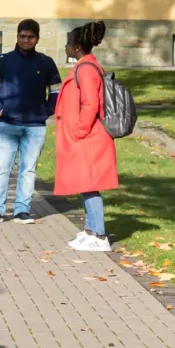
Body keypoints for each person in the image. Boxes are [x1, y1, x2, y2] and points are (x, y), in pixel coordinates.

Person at [0, 19, 62, 224]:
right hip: (7, 125)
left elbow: (57, 91)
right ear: (17, 37)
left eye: (31, 37)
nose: (26, 40)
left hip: (35, 126)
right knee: (1, 167)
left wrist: (47, 111)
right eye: (22, 36)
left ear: (37, 38)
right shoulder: (3, 61)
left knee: (28, 169)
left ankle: (22, 210)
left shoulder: (46, 62)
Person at [53, 21, 118, 252]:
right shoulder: (86, 66)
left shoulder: (87, 69)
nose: (65, 47)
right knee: (85, 184)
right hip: (87, 137)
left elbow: (91, 103)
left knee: (90, 185)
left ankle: (99, 236)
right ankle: (90, 231)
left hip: (89, 138)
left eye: (68, 43)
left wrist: (78, 130)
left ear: (78, 46)